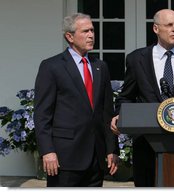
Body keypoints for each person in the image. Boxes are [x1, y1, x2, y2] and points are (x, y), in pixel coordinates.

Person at [111, 9, 174, 187]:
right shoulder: (137, 59)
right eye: (169, 25)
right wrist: (120, 114)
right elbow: (126, 97)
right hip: (146, 143)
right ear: (156, 29)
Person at [34, 13, 119, 187]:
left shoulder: (100, 66)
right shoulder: (52, 66)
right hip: (64, 158)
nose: (91, 35)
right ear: (69, 36)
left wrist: (112, 149)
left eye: (92, 30)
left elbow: (106, 112)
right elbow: (42, 114)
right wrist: (47, 151)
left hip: (96, 158)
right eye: (85, 31)